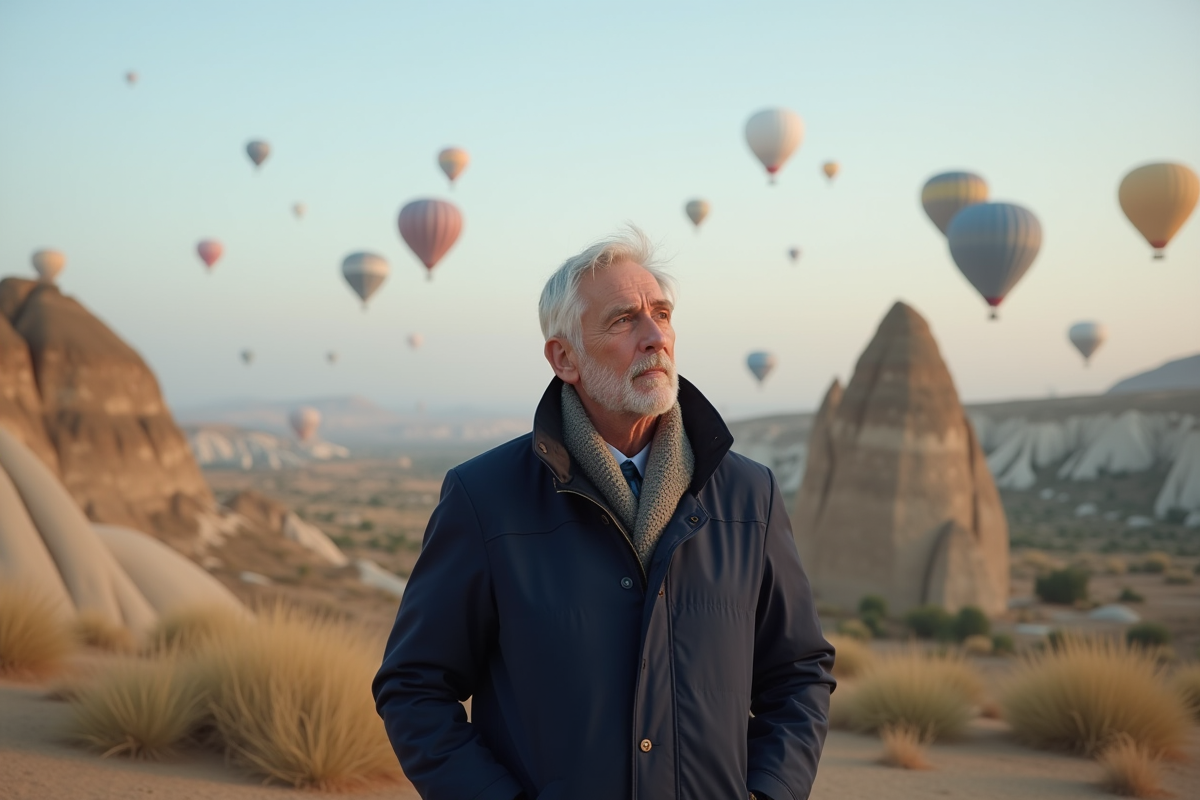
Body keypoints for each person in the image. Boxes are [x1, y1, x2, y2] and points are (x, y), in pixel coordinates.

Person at [373, 228, 835, 800]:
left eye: (661, 315)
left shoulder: (749, 493)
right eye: (623, 321)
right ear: (564, 357)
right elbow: (413, 687)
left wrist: (769, 793)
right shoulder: (484, 496)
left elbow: (798, 675)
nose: (654, 338)